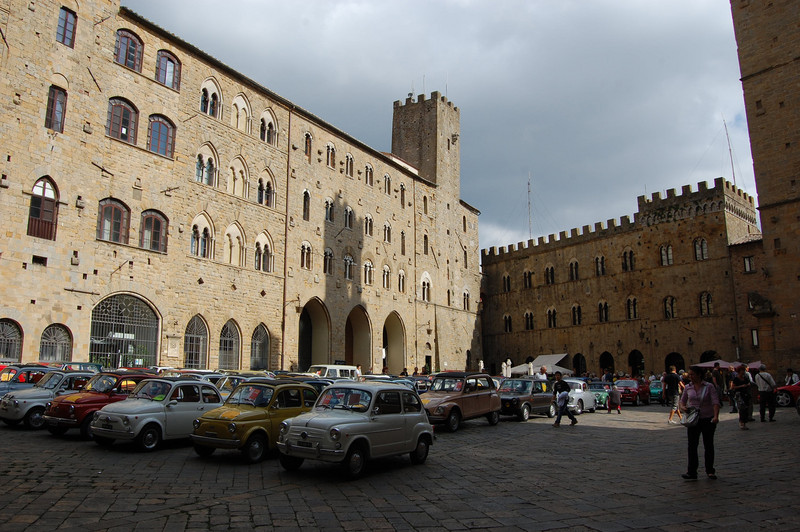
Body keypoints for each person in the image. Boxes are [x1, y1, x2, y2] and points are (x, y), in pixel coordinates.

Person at [679, 366, 720, 480]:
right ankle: (692, 471)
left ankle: (710, 471)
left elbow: (715, 402)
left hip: (707, 418)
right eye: (689, 374)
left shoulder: (709, 386)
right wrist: (684, 408)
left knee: (708, 445)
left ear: (699, 375)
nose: (690, 376)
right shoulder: (688, 387)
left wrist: (716, 416)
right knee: (692, 446)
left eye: (692, 374)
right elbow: (682, 402)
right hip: (693, 420)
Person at [730, 364, 752, 430]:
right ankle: (742, 423)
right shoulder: (736, 379)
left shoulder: (745, 378)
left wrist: (748, 385)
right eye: (742, 370)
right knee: (742, 409)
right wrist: (741, 386)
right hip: (739, 395)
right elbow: (733, 387)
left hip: (745, 394)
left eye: (744, 370)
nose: (743, 372)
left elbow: (749, 383)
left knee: (746, 409)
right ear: (739, 371)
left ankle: (744, 422)